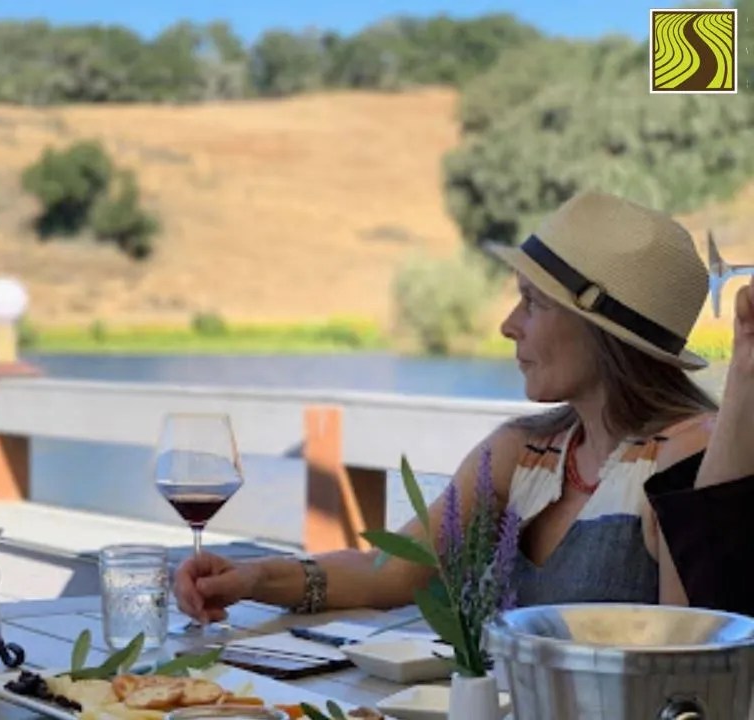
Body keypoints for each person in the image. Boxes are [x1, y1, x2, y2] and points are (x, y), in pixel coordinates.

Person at [174, 190, 717, 621]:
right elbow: (390, 571)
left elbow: (700, 664)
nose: (508, 325)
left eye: (532, 302)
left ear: (604, 333)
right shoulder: (523, 454)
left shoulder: (689, 464)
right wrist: (251, 579)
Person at [649, 275, 754, 615]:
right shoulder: (527, 445)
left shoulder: (685, 445)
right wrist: (744, 367)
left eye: (534, 303)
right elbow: (719, 600)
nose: (509, 327)